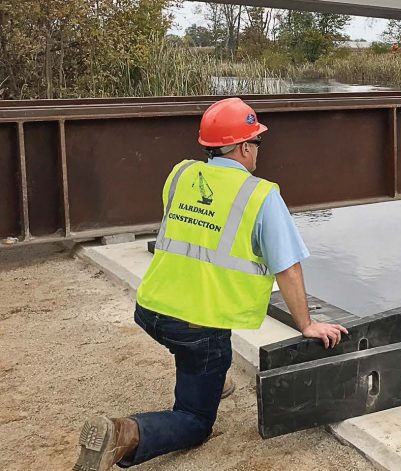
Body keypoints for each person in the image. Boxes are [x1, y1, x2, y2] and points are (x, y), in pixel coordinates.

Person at [73, 97, 347, 471]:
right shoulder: (261, 195)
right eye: (257, 142)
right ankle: (124, 435)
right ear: (245, 147)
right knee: (195, 419)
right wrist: (307, 324)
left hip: (151, 308)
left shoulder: (181, 174)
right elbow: (289, 269)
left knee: (202, 357)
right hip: (196, 327)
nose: (257, 151)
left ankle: (210, 380)